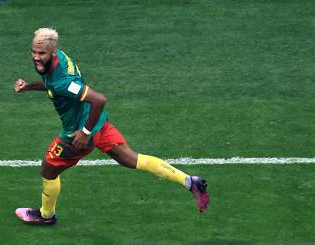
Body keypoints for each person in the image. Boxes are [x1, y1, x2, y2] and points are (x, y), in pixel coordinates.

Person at [14, 28, 209, 225]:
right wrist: (30, 86)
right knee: (132, 159)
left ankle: (46, 215)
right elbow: (53, 85)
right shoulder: (59, 59)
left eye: (42, 53)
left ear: (53, 52)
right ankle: (190, 181)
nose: (36, 57)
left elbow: (98, 99)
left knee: (48, 171)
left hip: (79, 133)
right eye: (34, 52)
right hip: (99, 123)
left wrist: (85, 132)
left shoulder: (61, 80)